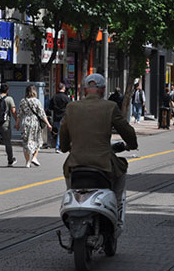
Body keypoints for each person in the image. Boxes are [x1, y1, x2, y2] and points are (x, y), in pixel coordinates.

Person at [59, 73, 138, 228]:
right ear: (102, 90)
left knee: (70, 182)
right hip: (103, 164)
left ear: (85, 90)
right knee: (121, 173)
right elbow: (127, 131)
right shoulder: (110, 107)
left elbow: (63, 134)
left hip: (76, 164)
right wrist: (131, 144)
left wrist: (65, 147)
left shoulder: (72, 107)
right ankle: (116, 210)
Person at [17, 84, 52, 168]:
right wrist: (48, 124)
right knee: (37, 140)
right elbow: (42, 114)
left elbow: (19, 114)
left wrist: (17, 124)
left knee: (25, 142)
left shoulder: (23, 101)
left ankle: (27, 162)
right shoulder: (36, 101)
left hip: (25, 122)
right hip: (35, 122)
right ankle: (34, 157)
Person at [48, 84, 71, 152]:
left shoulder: (54, 97)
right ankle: (58, 146)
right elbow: (70, 106)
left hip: (56, 116)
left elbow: (50, 107)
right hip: (64, 116)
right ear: (63, 88)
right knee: (62, 132)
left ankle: (58, 145)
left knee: (58, 131)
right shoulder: (66, 98)